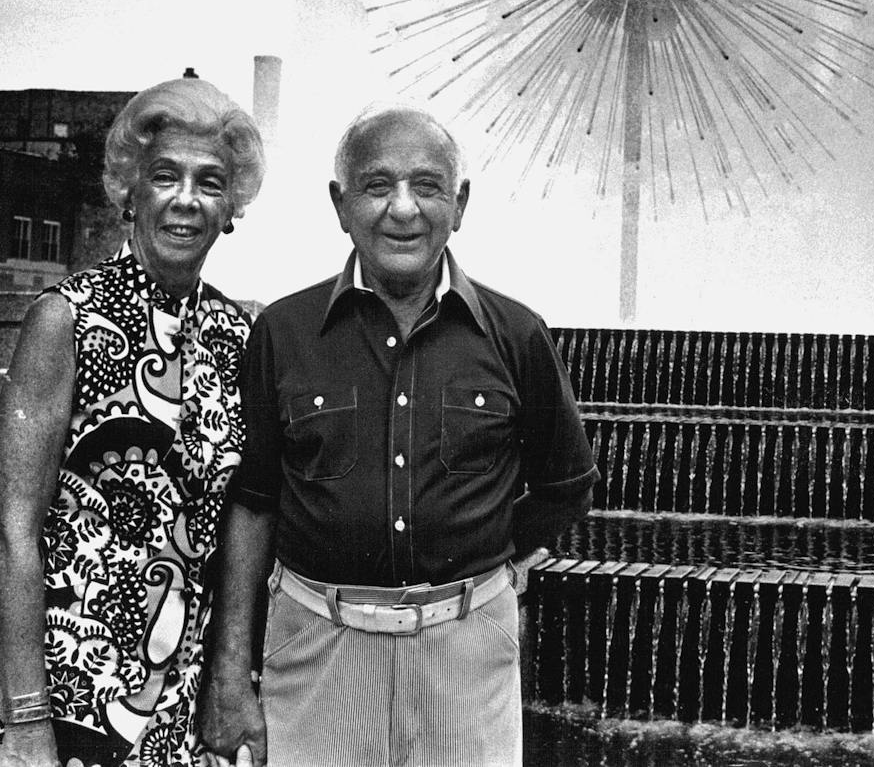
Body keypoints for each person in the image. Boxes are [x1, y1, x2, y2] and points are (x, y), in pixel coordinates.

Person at [200, 105, 598, 767]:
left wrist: (487, 547)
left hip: (467, 650)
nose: (403, 209)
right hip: (315, 650)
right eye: (378, 186)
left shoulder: (518, 334)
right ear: (340, 202)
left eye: (428, 186)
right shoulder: (284, 332)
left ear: (461, 202)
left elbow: (566, 484)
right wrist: (229, 674)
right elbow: (254, 503)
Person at [0, 79, 265, 767]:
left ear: (231, 208)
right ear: (128, 191)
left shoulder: (239, 340)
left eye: (209, 182)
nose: (186, 199)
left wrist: (231, 681)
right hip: (68, 701)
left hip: (182, 706)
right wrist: (25, 721)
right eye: (164, 176)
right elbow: (12, 530)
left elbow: (242, 519)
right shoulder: (66, 320)